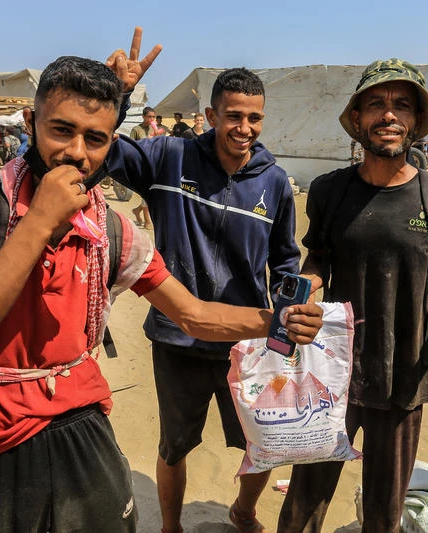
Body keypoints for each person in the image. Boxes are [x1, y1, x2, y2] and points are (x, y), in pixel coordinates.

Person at [0, 43, 322, 533]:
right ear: (29, 122)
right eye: (60, 130)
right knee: (175, 444)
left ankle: (243, 511)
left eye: (95, 138)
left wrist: (277, 321)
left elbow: (194, 312)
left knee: (251, 444)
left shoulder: (114, 233)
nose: (76, 152)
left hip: (80, 417)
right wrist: (41, 220)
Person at [275, 58, 428, 533]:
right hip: (333, 374)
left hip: (405, 375)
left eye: (402, 105)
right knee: (305, 500)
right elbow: (318, 258)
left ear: (416, 122)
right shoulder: (329, 191)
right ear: (357, 119)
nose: (388, 115)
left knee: (385, 511)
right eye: (375, 104)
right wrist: (305, 291)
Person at [106, 66, 301, 533]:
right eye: (233, 116)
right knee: (174, 445)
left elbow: (285, 262)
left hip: (247, 342)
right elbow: (103, 150)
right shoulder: (168, 158)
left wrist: (289, 309)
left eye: (255, 118)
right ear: (211, 114)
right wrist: (119, 94)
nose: (245, 128)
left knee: (262, 442)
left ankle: (244, 511)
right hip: (178, 339)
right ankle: (170, 526)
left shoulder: (274, 182)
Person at [129, 107, 155, 230]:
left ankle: (137, 210)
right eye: (149, 116)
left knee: (153, 192)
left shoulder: (154, 129)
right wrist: (145, 142)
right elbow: (131, 148)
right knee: (146, 191)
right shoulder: (136, 130)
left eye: (153, 117)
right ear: (143, 116)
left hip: (154, 164)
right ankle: (147, 220)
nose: (151, 119)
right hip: (142, 165)